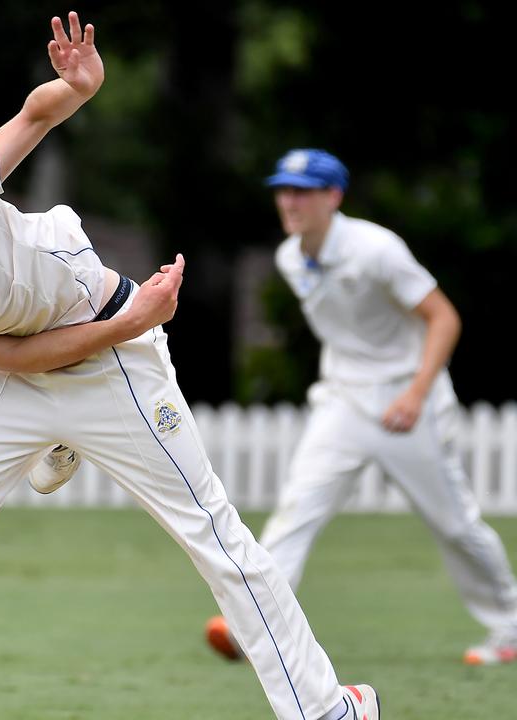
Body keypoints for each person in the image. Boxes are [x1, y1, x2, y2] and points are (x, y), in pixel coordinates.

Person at [0, 14, 377, 720]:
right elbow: (15, 358)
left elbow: (29, 118)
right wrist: (127, 322)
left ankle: (331, 708)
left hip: (112, 356)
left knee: (215, 539)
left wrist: (78, 88)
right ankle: (55, 438)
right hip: (40, 364)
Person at [205, 148, 517, 668]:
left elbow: (444, 318)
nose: (289, 202)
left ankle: (510, 623)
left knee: (455, 525)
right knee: (296, 509)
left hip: (406, 402)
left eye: (302, 192)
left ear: (334, 197)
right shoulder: (289, 256)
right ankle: (254, 626)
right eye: (283, 191)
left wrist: (416, 393)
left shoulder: (377, 250)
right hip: (343, 401)